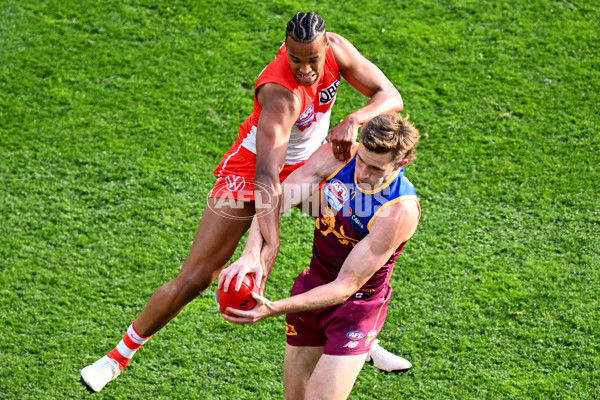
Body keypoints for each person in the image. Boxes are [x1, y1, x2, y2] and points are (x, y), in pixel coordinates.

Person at [81, 11, 406, 393]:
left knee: (354, 234)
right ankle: (116, 358)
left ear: (324, 48)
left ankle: (358, 336)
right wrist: (266, 244)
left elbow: (391, 96)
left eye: (312, 60)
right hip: (253, 169)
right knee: (198, 276)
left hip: (308, 163)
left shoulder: (336, 48)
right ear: (285, 50)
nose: (304, 69)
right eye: (295, 60)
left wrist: (355, 118)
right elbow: (268, 179)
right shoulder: (280, 94)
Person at [220, 113, 421, 400]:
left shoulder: (398, 211)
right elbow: (280, 195)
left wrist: (273, 308)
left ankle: (363, 345)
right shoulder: (342, 154)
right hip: (313, 288)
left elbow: (346, 286)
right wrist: (252, 250)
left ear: (400, 164)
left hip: (356, 309)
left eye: (375, 169)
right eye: (362, 160)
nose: (362, 173)